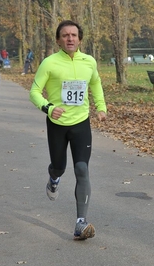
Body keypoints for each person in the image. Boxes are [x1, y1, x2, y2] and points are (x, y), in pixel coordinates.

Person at [30, 20, 107, 241]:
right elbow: (34, 91)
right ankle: (53, 178)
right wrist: (48, 107)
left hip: (81, 122)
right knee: (60, 167)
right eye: (65, 35)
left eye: (74, 35)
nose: (70, 38)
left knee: (82, 169)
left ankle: (80, 223)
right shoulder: (50, 63)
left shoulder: (88, 62)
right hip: (57, 124)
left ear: (80, 39)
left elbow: (96, 84)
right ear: (58, 40)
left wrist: (101, 108)